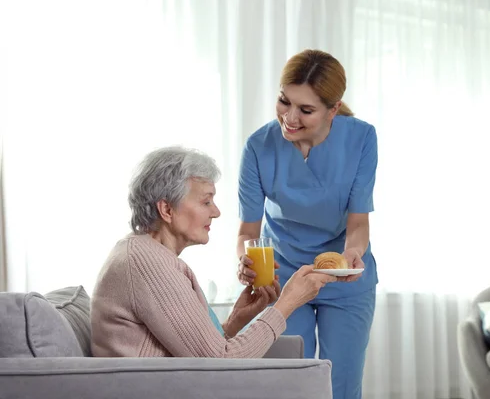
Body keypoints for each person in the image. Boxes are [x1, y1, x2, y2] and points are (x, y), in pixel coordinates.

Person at [91, 146, 336, 358]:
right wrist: (288, 302)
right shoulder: (145, 262)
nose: (216, 212)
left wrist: (236, 319)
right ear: (166, 209)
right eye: (206, 201)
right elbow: (222, 362)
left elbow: (200, 351)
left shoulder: (144, 254)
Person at [236, 49, 378, 398]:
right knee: (287, 384)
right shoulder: (258, 146)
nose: (289, 117)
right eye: (284, 101)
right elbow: (247, 232)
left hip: (344, 276)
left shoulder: (361, 139)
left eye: (306, 109)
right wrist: (246, 261)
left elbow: (358, 221)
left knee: (340, 386)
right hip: (281, 280)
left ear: (333, 109)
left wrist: (353, 254)